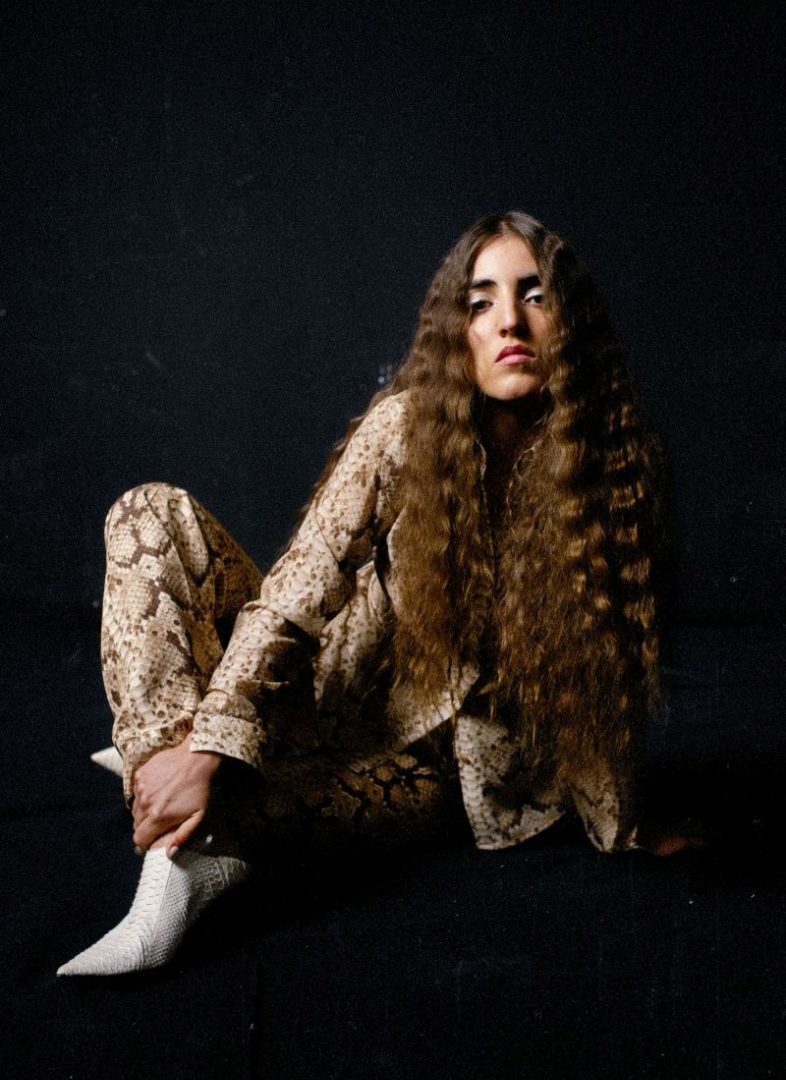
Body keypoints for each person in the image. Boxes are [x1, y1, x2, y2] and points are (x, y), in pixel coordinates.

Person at [57, 210, 690, 977]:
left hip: (422, 775)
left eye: (536, 296)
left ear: (571, 321)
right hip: (313, 690)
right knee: (148, 512)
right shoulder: (407, 428)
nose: (509, 322)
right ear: (455, 330)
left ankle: (179, 823)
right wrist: (208, 745)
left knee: (251, 806)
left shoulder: (617, 468)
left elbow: (607, 670)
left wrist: (624, 826)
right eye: (481, 301)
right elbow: (296, 594)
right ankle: (169, 775)